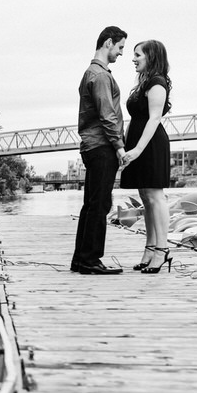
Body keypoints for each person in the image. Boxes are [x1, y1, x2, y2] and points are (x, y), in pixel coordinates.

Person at [71, 26, 127, 275]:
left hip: (92, 145)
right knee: (100, 204)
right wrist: (119, 147)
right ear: (108, 43)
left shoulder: (90, 73)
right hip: (102, 146)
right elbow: (108, 115)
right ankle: (91, 260)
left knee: (91, 204)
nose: (121, 53)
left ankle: (81, 259)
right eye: (120, 47)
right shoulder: (101, 76)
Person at [120, 40, 173, 274]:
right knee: (145, 196)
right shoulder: (143, 83)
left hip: (151, 145)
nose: (133, 59)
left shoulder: (157, 82)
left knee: (155, 196)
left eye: (138, 55)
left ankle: (162, 249)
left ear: (151, 57)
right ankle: (150, 248)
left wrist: (138, 149)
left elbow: (154, 118)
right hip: (139, 142)